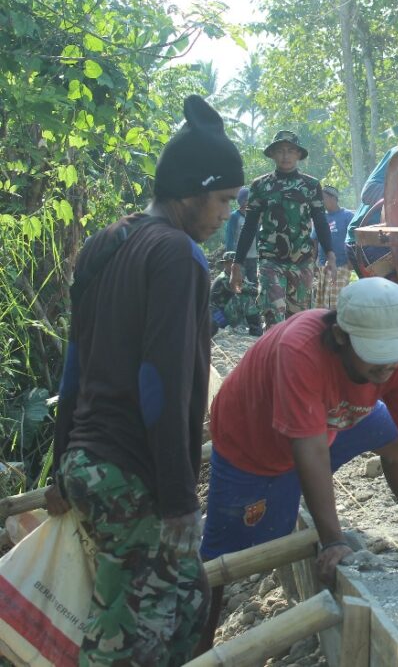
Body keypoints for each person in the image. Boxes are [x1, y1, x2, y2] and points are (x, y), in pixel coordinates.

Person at [46, 95, 243, 665]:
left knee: (185, 605)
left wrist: (62, 462)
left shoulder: (107, 243)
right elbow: (163, 384)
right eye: (225, 199)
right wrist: (181, 499)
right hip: (132, 473)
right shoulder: (177, 256)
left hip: (89, 463)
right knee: (130, 640)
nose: (227, 213)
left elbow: (74, 364)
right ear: (192, 191)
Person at [197, 279, 398, 651]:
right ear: (339, 336)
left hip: (339, 418)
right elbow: (310, 452)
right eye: (374, 353)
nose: (387, 365)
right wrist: (333, 541)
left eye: (393, 352)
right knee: (222, 560)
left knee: (396, 440)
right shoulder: (299, 349)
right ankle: (198, 648)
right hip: (254, 442)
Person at [231, 130, 335, 329]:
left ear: (298, 155)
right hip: (271, 261)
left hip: (302, 262)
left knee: (300, 324)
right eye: (280, 151)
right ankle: (271, 359)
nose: (285, 156)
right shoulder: (260, 186)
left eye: (290, 151)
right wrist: (237, 263)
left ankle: (295, 360)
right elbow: (250, 226)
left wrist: (330, 253)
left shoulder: (311, 185)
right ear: (272, 154)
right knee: (273, 319)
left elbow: (320, 222)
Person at [313, 185, 354, 309]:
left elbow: (352, 240)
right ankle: (325, 328)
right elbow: (314, 240)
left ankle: (338, 326)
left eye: (323, 198)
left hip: (341, 264)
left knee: (337, 303)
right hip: (322, 266)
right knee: (322, 303)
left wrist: (351, 261)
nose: (321, 201)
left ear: (333, 198)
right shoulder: (321, 217)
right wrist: (312, 263)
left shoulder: (347, 216)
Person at [209, 251, 262, 337]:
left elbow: (248, 285)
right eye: (230, 263)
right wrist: (262, 291)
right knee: (244, 298)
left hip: (224, 312)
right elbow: (246, 289)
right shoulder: (224, 278)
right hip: (218, 316)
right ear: (225, 264)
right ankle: (255, 328)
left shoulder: (231, 275)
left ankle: (255, 325)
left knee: (251, 296)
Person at [223, 187, 258, 283]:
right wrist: (231, 257)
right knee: (240, 284)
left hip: (254, 257)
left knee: (254, 284)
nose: (249, 202)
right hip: (240, 258)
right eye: (246, 199)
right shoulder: (234, 216)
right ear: (241, 201)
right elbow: (230, 237)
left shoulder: (255, 215)